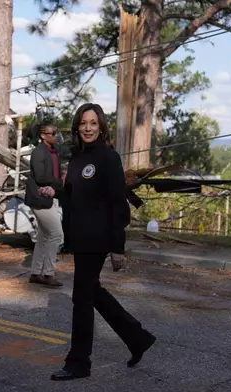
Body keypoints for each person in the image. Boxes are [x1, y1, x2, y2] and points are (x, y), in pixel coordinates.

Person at [51, 103, 156, 381]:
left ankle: (78, 363)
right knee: (91, 292)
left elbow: (117, 204)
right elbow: (73, 199)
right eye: (84, 123)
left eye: (93, 123)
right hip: (80, 238)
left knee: (81, 299)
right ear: (77, 126)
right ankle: (137, 337)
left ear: (101, 127)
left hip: (97, 239)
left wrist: (117, 247)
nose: (88, 128)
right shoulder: (75, 159)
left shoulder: (108, 158)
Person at [24, 123, 64, 287]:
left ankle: (36, 273)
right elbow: (40, 177)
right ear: (43, 136)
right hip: (40, 199)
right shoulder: (39, 152)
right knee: (56, 234)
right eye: (53, 133)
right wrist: (60, 181)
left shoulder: (53, 152)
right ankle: (48, 274)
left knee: (44, 236)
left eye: (56, 132)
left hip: (48, 198)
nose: (56, 135)